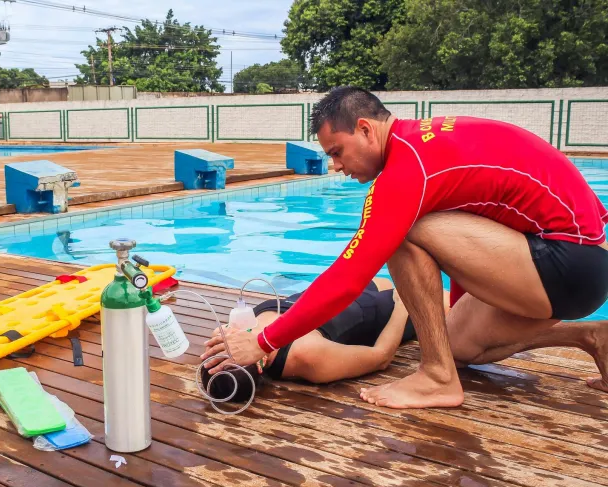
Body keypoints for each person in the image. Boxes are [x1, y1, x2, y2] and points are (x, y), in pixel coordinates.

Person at [202, 86, 608, 409]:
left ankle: (437, 377)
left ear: (365, 128)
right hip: (575, 260)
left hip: (568, 263)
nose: (337, 167)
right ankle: (591, 336)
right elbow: (486, 218)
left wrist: (261, 341)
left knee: (404, 230)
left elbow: (348, 279)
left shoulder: (405, 170)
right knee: (459, 344)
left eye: (337, 152)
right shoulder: (421, 141)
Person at [202, 278, 438, 402]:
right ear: (260, 363)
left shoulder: (239, 328)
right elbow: (380, 357)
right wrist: (405, 303)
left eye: (219, 347)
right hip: (384, 311)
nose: (225, 336)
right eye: (227, 347)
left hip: (345, 289)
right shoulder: (306, 355)